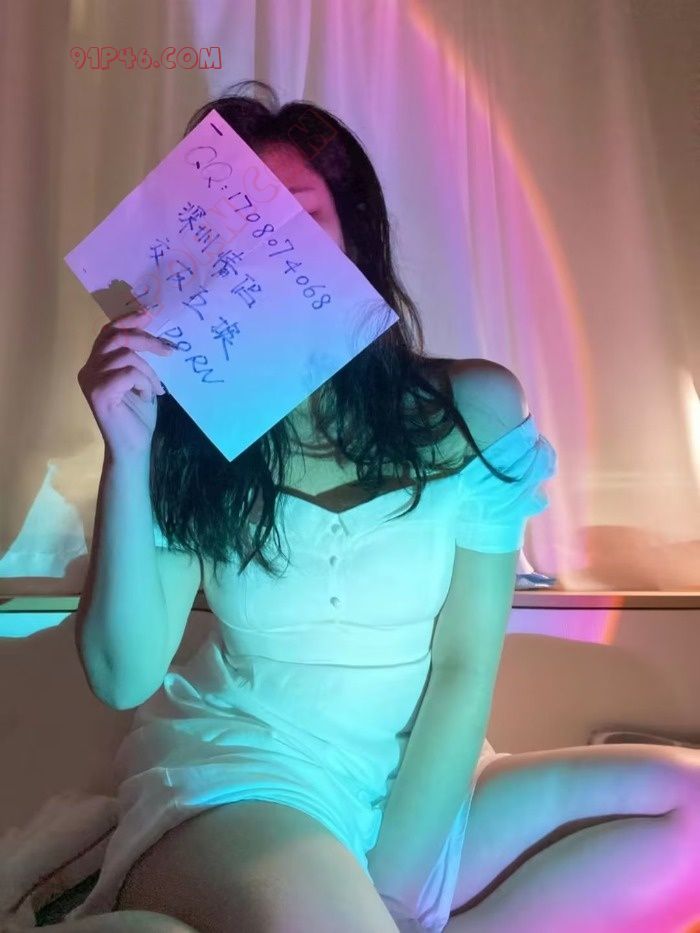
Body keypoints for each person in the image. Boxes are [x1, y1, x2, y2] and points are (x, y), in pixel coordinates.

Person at [65, 81, 700, 933]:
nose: (263, 251)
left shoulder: (470, 411)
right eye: (236, 231)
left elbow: (465, 661)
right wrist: (127, 449)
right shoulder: (195, 438)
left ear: (354, 243)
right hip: (249, 778)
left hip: (418, 778)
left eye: (295, 220)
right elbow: (123, 675)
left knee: (691, 805)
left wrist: (398, 881)